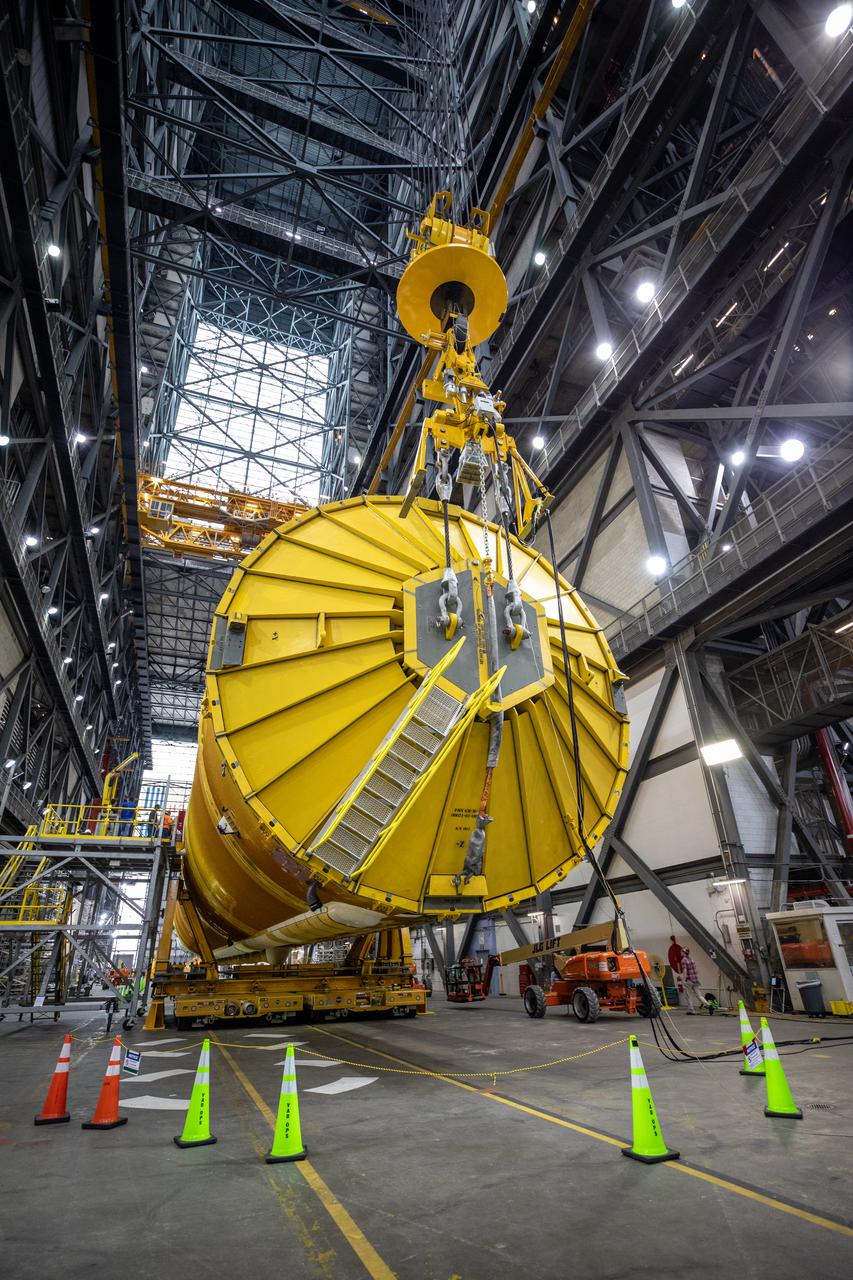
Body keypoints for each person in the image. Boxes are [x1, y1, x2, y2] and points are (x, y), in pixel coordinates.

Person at [679, 947, 710, 1014]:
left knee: (688, 996)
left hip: (689, 980)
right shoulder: (691, 959)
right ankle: (707, 1005)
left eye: (681, 952)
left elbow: (685, 970)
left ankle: (691, 1010)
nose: (680, 953)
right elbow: (696, 970)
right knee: (699, 995)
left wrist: (683, 980)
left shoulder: (683, 960)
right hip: (695, 980)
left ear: (684, 953)